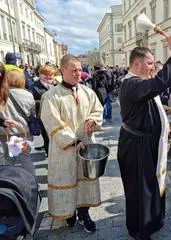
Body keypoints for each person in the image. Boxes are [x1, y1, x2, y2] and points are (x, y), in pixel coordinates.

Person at [117, 36, 171, 240]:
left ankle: (151, 221)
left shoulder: (139, 82)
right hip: (137, 146)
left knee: (150, 186)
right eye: (150, 63)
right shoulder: (131, 84)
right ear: (136, 64)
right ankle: (139, 229)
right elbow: (159, 84)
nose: (153, 66)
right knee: (140, 189)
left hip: (145, 144)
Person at [40, 55, 103, 233]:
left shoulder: (87, 92)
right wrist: (72, 140)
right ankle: (68, 213)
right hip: (64, 150)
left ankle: (84, 213)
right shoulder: (51, 96)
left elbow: (97, 110)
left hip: (86, 146)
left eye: (80, 69)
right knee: (66, 179)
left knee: (84, 180)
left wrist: (93, 120)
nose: (78, 73)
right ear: (62, 70)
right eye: (74, 69)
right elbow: (51, 121)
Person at [0, 70, 35, 174]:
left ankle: (6, 185)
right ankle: (33, 186)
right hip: (23, 132)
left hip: (5, 133)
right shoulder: (27, 94)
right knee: (26, 159)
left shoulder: (2, 94)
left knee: (8, 159)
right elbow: (32, 113)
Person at [29, 65, 57, 154]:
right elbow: (30, 102)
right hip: (43, 117)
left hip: (57, 116)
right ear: (40, 74)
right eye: (45, 74)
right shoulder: (34, 86)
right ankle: (50, 160)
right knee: (47, 139)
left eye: (51, 74)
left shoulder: (57, 84)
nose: (49, 76)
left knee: (57, 138)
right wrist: (43, 100)